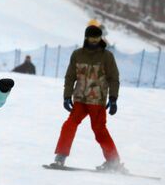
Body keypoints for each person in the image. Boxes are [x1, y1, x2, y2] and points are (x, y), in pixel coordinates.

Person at [51, 25, 122, 171]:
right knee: (69, 125)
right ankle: (60, 157)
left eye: (97, 38)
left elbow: (113, 78)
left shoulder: (107, 57)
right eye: (91, 37)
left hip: (97, 101)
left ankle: (113, 162)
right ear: (86, 38)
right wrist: (66, 96)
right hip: (80, 100)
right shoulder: (77, 54)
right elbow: (70, 77)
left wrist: (113, 98)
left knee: (99, 130)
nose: (94, 40)